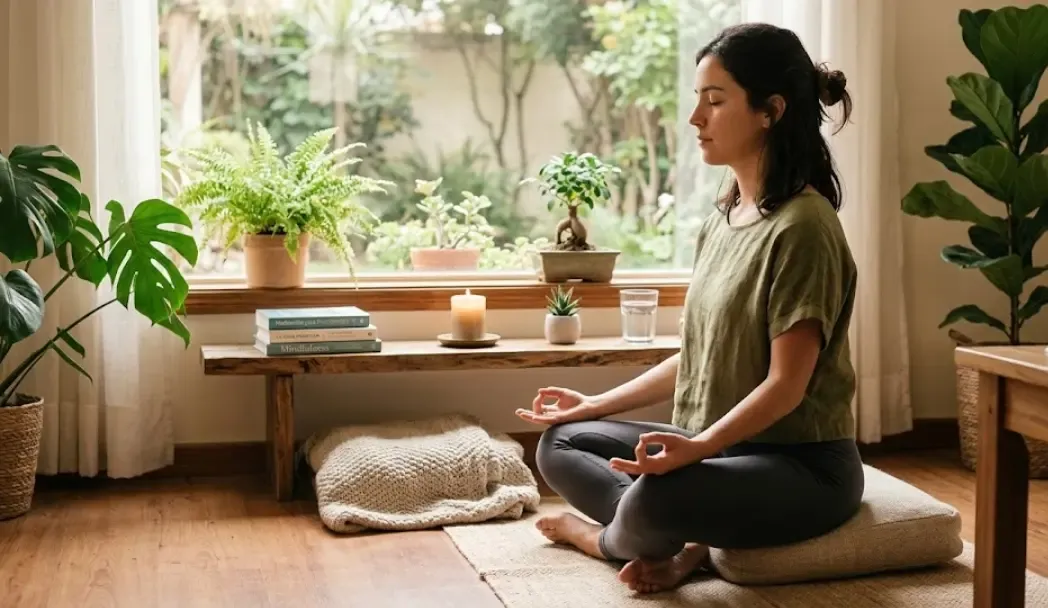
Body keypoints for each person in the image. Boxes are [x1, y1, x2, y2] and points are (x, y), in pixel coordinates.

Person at [515, 22, 863, 595]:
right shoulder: (723, 218)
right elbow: (696, 354)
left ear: (770, 111)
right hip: (718, 451)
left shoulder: (804, 227)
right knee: (561, 441)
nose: (695, 118)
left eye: (715, 100)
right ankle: (671, 534)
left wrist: (697, 450)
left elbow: (786, 386)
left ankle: (603, 538)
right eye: (696, 100)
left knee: (661, 492)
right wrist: (594, 403)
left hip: (802, 467)